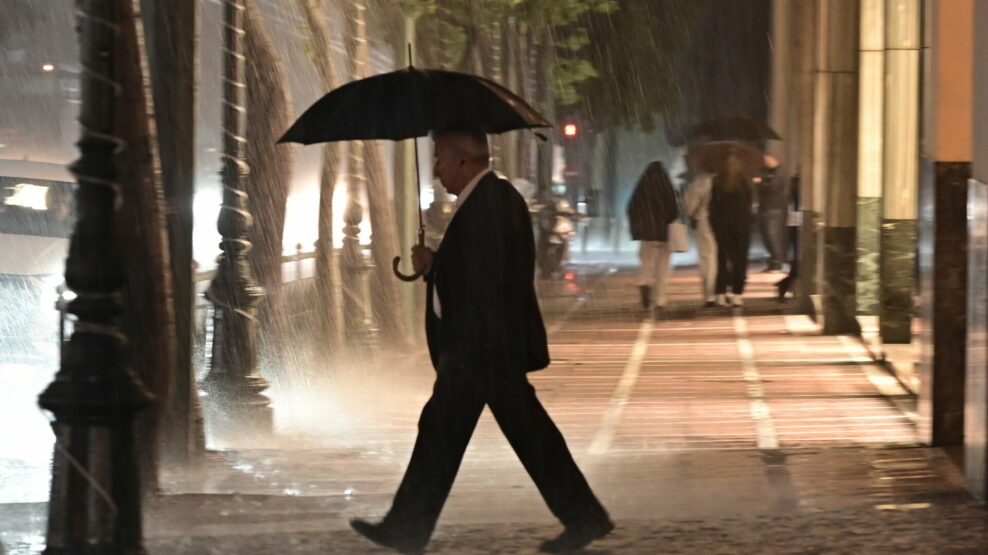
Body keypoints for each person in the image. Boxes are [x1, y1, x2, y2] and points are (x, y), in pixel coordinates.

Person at [350, 129, 612, 554]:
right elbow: (476, 270)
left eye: (438, 159)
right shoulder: (490, 199)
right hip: (486, 347)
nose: (435, 170)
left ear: (461, 160)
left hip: (482, 348)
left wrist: (445, 280)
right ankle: (584, 517)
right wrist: (437, 264)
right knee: (496, 432)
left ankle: (407, 528)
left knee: (470, 432)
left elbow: (485, 279)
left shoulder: (490, 202)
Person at [627, 161, 680, 316]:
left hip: (647, 234)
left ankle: (644, 284)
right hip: (664, 233)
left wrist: (639, 226)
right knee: (663, 266)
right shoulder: (666, 188)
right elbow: (674, 210)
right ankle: (659, 298)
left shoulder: (641, 189)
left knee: (646, 262)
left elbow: (631, 208)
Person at [709, 152, 754, 307]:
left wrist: (715, 226)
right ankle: (737, 294)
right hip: (741, 226)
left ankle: (721, 293)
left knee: (721, 260)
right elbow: (750, 204)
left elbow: (713, 207)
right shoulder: (745, 183)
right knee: (740, 260)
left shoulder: (717, 182)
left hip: (723, 226)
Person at [683, 168, 718, 307]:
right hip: (726, 223)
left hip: (705, 221)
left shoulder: (702, 181)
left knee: (707, 257)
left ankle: (710, 295)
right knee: (722, 257)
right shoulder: (730, 181)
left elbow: (689, 205)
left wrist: (691, 214)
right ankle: (723, 291)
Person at [754, 155, 787, 272]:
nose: (765, 162)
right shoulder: (765, 172)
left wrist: (760, 182)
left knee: (773, 235)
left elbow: (774, 187)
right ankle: (774, 261)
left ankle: (777, 262)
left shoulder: (780, 173)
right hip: (765, 208)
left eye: (767, 159)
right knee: (766, 236)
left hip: (774, 208)